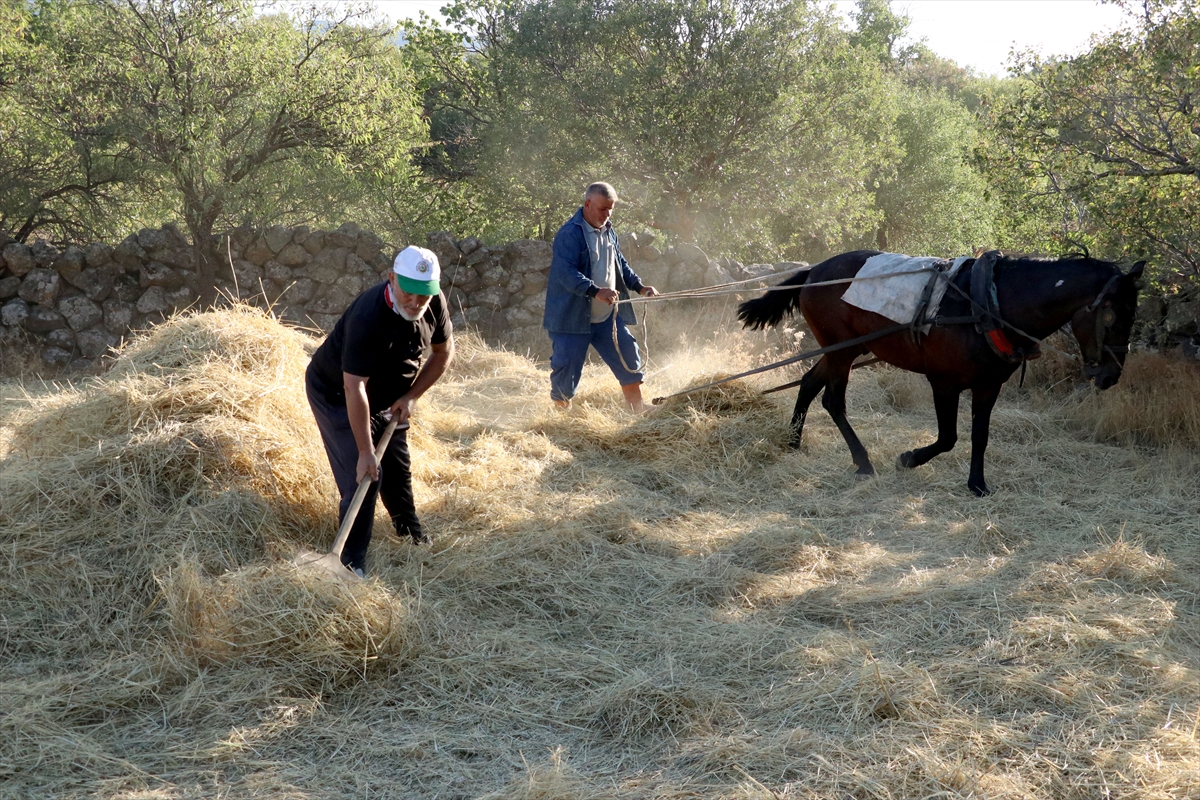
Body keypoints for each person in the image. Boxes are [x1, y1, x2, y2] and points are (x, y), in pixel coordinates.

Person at [305, 245, 454, 577]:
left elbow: (443, 353)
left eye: (424, 296)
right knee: (367, 476)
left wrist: (412, 396)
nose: (416, 302)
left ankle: (410, 534)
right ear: (391, 279)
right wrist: (364, 451)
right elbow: (354, 387)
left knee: (396, 468)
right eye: (409, 292)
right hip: (337, 394)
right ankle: (351, 564)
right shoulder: (369, 316)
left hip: (390, 397)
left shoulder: (434, 304)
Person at [543, 182, 659, 412]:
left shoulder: (608, 230)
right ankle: (560, 419)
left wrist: (640, 287)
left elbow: (620, 264)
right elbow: (566, 273)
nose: (606, 214)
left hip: (606, 317)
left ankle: (636, 408)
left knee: (627, 352)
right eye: (602, 209)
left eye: (610, 209)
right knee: (566, 368)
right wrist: (596, 291)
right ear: (587, 204)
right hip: (571, 319)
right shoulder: (569, 234)